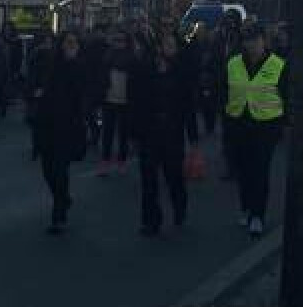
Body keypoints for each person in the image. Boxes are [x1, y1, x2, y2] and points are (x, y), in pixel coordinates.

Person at [131, 31, 197, 235]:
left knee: (174, 176)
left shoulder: (181, 71)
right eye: (166, 44)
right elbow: (136, 102)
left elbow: (188, 106)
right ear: (158, 47)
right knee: (149, 179)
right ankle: (151, 220)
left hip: (172, 131)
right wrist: (134, 132)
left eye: (172, 45)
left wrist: (192, 136)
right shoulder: (145, 69)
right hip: (149, 131)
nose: (170, 48)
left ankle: (179, 206)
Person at [224, 26, 287, 238]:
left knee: (260, 169)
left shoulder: (278, 64)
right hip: (239, 122)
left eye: (256, 40)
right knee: (243, 169)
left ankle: (258, 215)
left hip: (266, 125)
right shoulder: (233, 63)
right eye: (248, 40)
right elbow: (224, 89)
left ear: (264, 41)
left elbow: (286, 94)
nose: (251, 45)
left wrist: (285, 124)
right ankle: (246, 207)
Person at [29, 31, 92, 234]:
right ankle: (63, 198)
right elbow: (37, 81)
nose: (70, 46)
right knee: (47, 170)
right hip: (47, 123)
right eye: (67, 42)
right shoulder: (52, 64)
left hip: (67, 126)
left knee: (60, 169)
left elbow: (84, 93)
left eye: (74, 43)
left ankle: (59, 213)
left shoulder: (80, 67)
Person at [96, 29, 134, 175]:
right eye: (116, 40)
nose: (119, 43)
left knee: (123, 133)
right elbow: (101, 76)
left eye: (122, 40)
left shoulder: (131, 58)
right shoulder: (107, 55)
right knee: (108, 132)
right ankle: (105, 161)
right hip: (109, 98)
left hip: (125, 99)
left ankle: (121, 160)